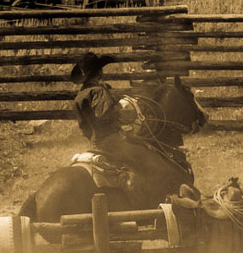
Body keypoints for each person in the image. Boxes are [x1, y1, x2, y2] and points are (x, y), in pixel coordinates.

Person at [69, 52, 188, 205]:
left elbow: (84, 125)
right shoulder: (98, 91)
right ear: (99, 72)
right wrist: (122, 113)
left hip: (95, 142)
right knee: (150, 162)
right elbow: (103, 115)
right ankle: (149, 199)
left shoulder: (80, 96)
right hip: (113, 142)